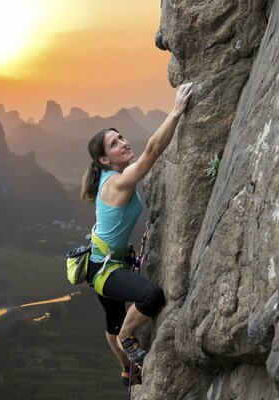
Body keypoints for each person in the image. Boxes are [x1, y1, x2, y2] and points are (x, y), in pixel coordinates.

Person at [79, 82, 194, 386]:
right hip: (105, 270)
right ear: (104, 160)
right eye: (115, 144)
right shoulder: (118, 181)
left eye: (121, 137)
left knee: (112, 320)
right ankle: (128, 340)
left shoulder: (108, 175)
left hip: (98, 262)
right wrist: (177, 111)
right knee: (151, 297)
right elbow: (153, 152)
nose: (124, 144)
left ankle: (126, 369)